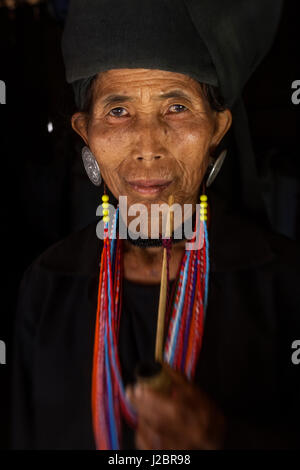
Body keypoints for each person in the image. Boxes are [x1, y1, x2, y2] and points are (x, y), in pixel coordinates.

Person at [12, 0, 300, 450]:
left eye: (177, 107)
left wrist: (222, 440)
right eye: (119, 111)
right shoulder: (47, 287)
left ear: (217, 129)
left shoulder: (285, 284)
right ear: (85, 131)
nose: (148, 146)